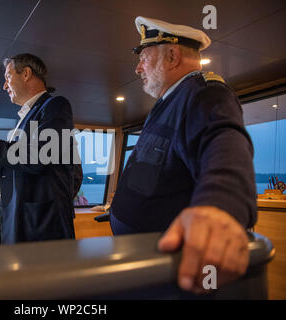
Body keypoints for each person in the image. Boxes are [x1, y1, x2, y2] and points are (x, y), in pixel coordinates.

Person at [110, 17, 257, 293]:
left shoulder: (206, 93)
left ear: (172, 55)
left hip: (172, 273)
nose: (137, 67)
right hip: (143, 261)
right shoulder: (167, 104)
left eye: (144, 58)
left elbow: (224, 144)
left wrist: (219, 208)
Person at [0, 53, 82, 244]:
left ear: (26, 73)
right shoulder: (23, 119)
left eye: (8, 77)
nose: (4, 86)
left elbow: (38, 157)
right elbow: (15, 166)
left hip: (39, 224)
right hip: (17, 218)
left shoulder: (55, 105)